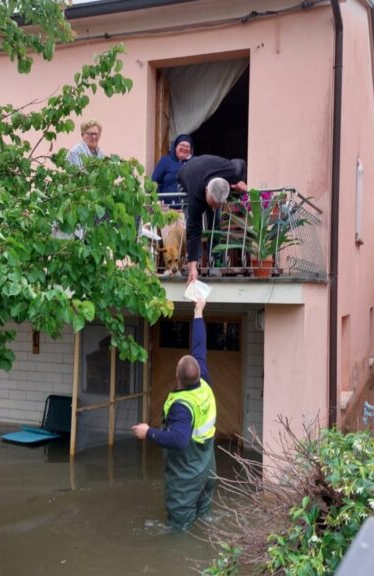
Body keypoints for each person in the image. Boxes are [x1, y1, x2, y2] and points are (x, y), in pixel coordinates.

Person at [132, 298, 216, 530]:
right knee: (203, 519)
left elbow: (179, 441)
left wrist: (148, 432)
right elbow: (199, 346)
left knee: (179, 529)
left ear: (177, 376)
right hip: (207, 469)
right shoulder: (204, 382)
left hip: (186, 476)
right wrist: (198, 311)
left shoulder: (182, 406)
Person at [177, 155, 248, 285]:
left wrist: (241, 181)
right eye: (212, 203)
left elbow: (240, 161)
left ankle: (215, 262)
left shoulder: (232, 171)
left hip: (211, 167)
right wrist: (193, 268)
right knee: (193, 222)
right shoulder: (196, 194)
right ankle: (193, 264)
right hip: (187, 173)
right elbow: (194, 232)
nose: (214, 208)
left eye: (218, 205)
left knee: (215, 221)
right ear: (205, 192)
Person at [151, 134, 194, 209]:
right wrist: (157, 200)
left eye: (187, 146)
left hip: (189, 209)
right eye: (182, 145)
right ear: (175, 147)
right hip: (166, 208)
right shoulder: (165, 161)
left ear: (190, 150)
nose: (184, 148)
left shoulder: (194, 163)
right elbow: (154, 181)